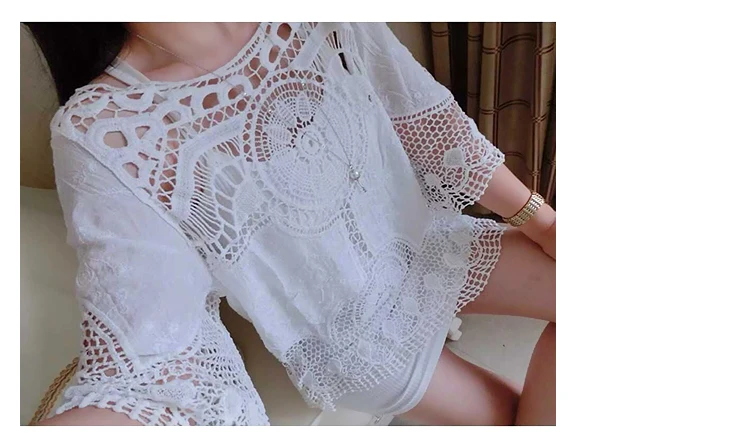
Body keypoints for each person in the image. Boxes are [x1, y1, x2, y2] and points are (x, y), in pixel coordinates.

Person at [25, 22, 556, 426]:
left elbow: (430, 125)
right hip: (356, 342)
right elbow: (150, 343)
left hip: (430, 249)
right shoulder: (105, 131)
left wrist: (546, 224)